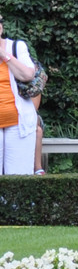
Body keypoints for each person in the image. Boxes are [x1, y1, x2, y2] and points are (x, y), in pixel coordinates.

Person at [0, 15, 42, 176]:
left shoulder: (17, 47)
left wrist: (4, 55)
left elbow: (28, 75)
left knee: (19, 178)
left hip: (19, 124)